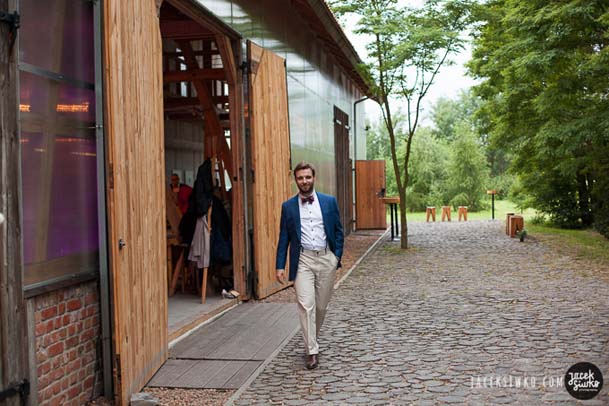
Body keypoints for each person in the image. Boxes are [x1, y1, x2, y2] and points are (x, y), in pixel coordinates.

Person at [275, 161, 344, 370]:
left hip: (326, 258)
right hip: (302, 260)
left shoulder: (329, 202)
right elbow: (283, 237)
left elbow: (339, 231)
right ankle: (311, 351)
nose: (304, 181)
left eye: (307, 177)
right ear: (295, 180)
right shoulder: (288, 207)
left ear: (314, 177)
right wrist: (280, 265)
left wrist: (336, 257)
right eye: (300, 178)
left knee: (321, 307)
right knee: (306, 306)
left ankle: (311, 336)